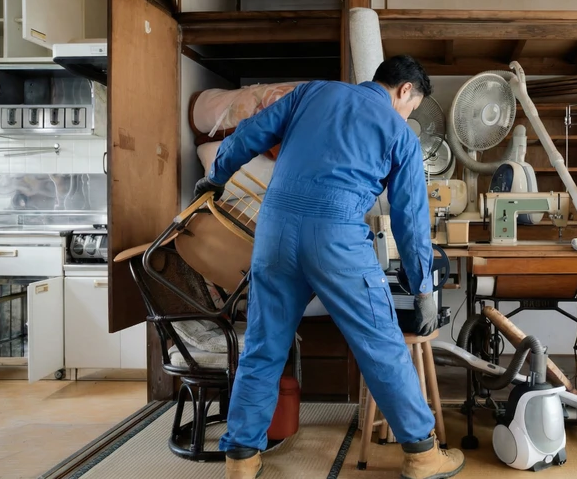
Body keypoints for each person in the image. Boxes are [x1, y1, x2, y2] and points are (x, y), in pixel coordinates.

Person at [193, 55, 465, 479]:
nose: (407, 116)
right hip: (336, 239)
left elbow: (250, 133)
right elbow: (410, 219)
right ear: (405, 90)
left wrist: (216, 175)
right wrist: (423, 288)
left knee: (263, 346)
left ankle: (241, 460)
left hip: (274, 232)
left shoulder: (312, 92)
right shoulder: (400, 133)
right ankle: (422, 455)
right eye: (411, 108)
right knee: (381, 345)